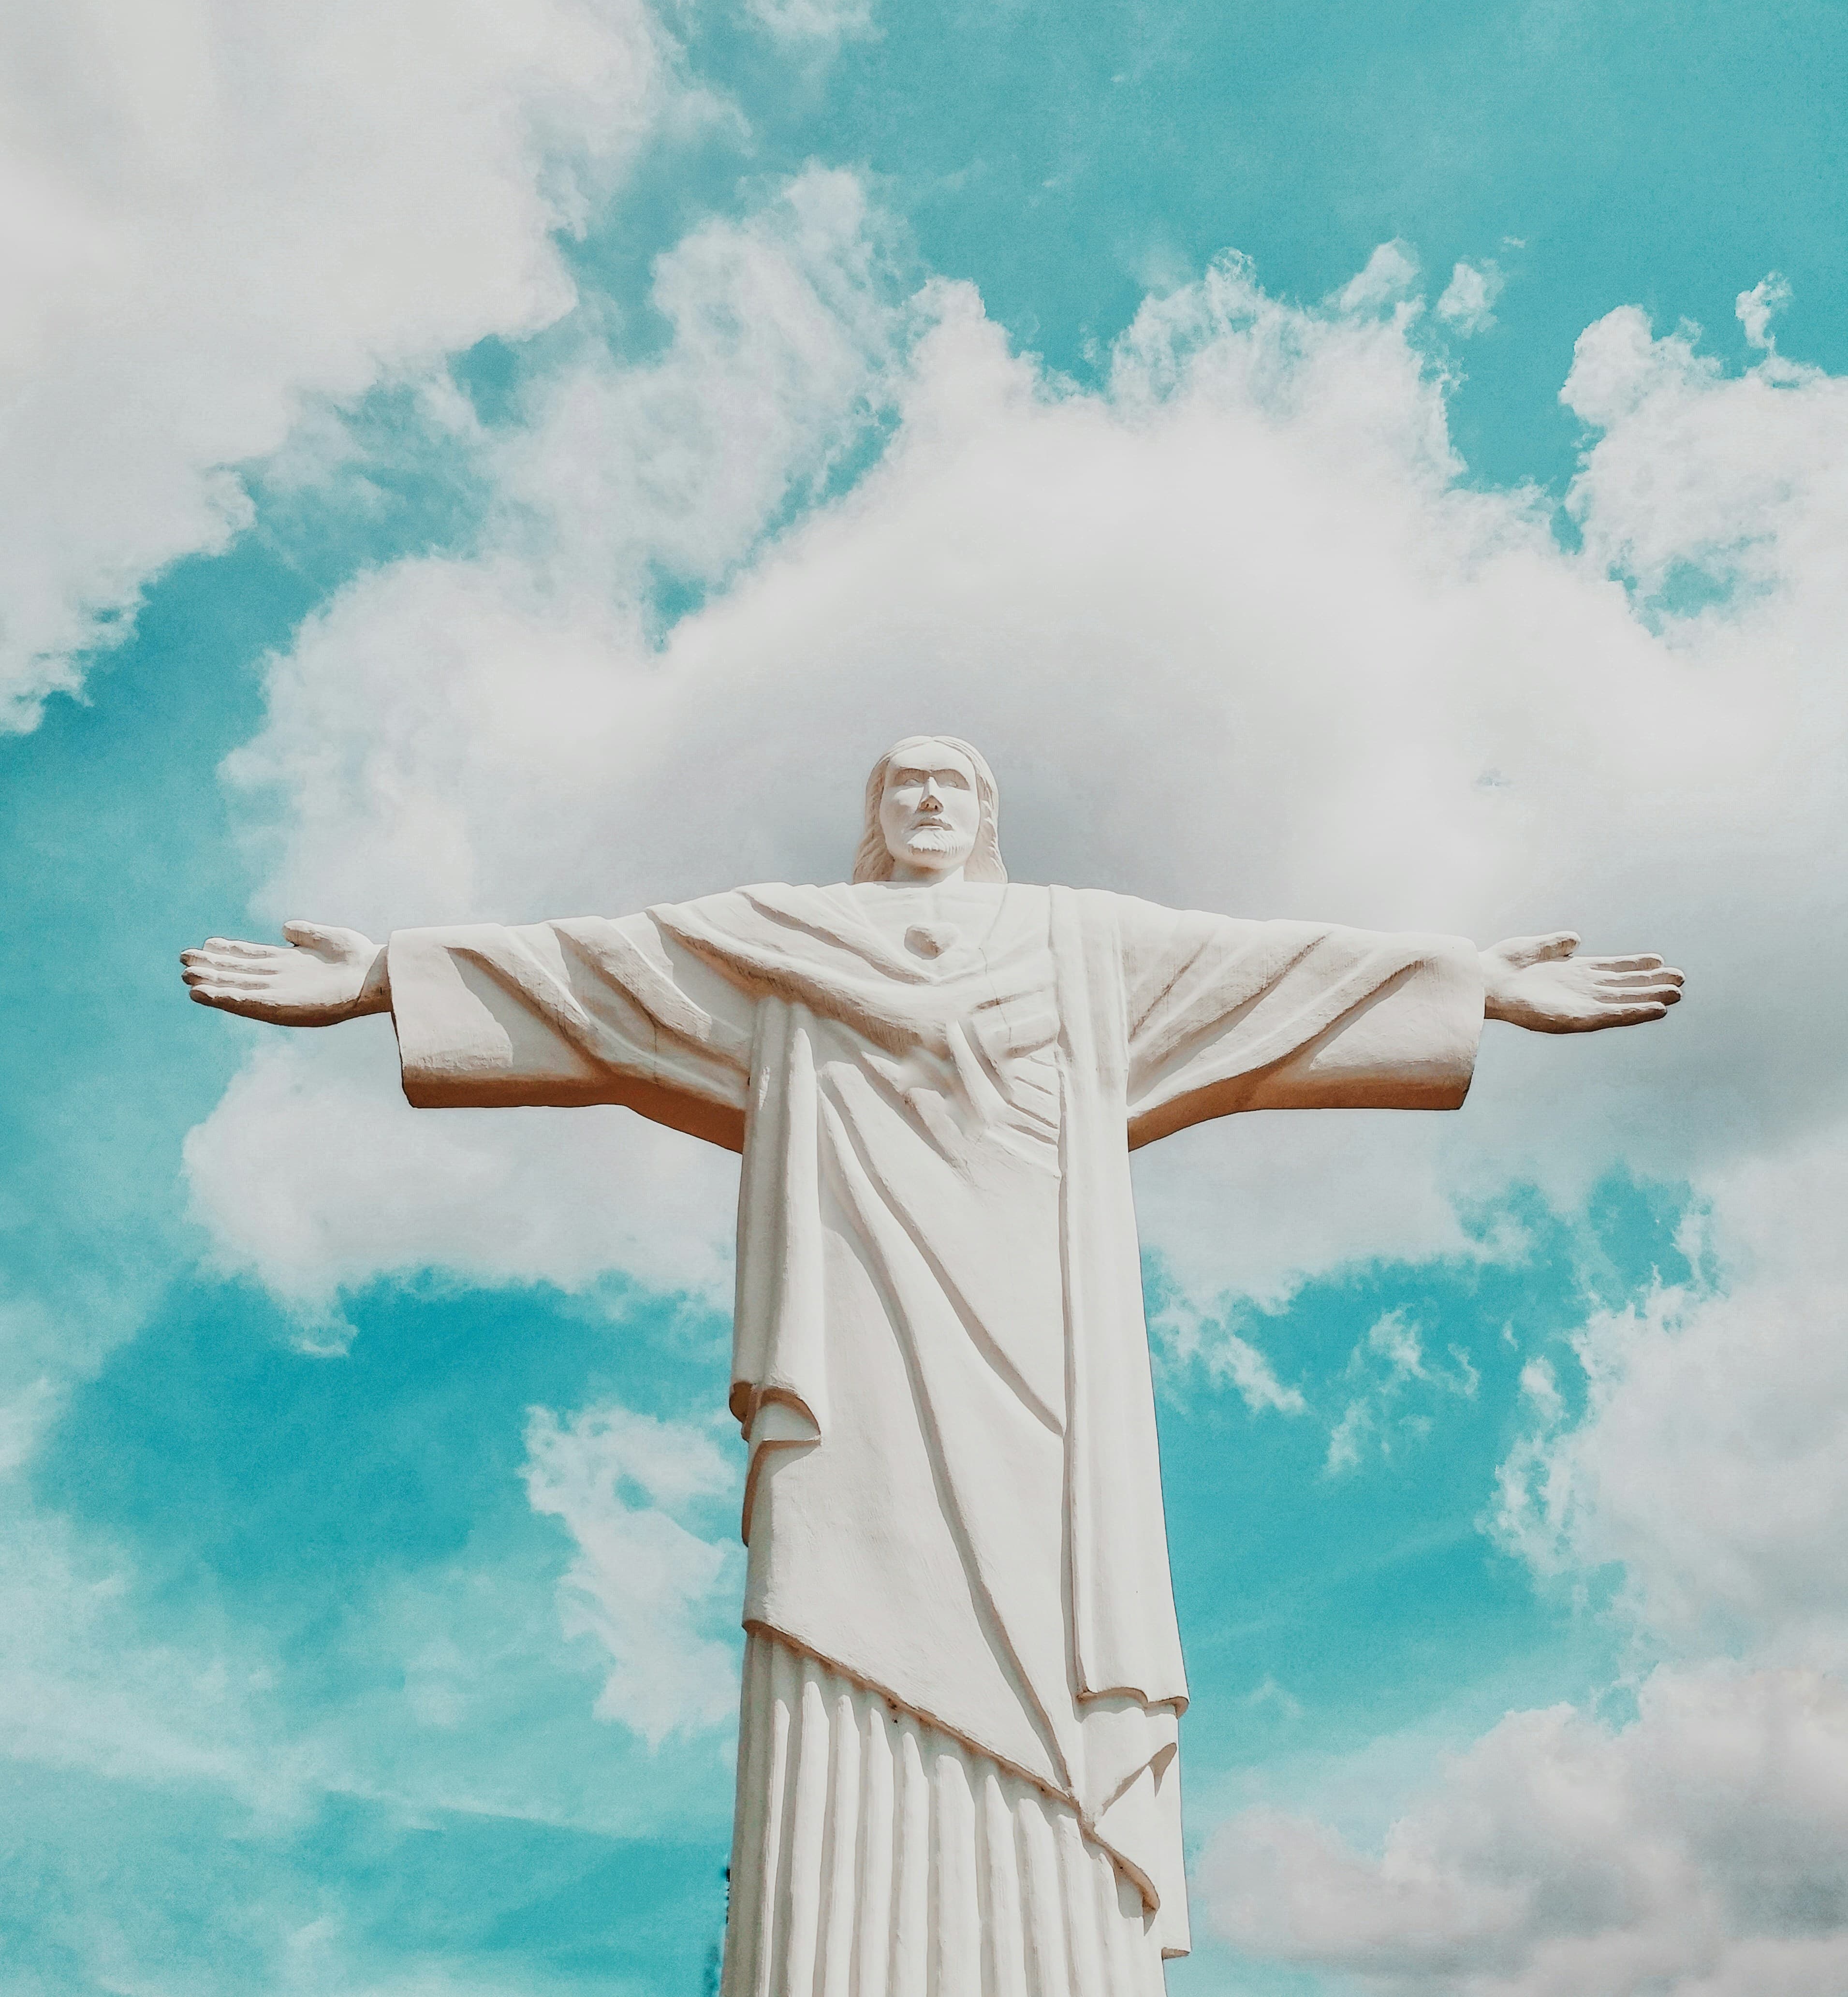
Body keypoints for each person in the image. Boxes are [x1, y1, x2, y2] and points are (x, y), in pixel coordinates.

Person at [182, 735, 1683, 1996]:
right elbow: (598, 977)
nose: (927, 799)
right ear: (872, 815)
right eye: (902, 781)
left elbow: (1270, 978)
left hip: (1045, 1358)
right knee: (844, 1601)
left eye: (953, 781)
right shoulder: (782, 948)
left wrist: (1464, 982)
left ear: (988, 814)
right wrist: (392, 976)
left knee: (1046, 1623)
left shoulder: (1086, 948)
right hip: (858, 1359)